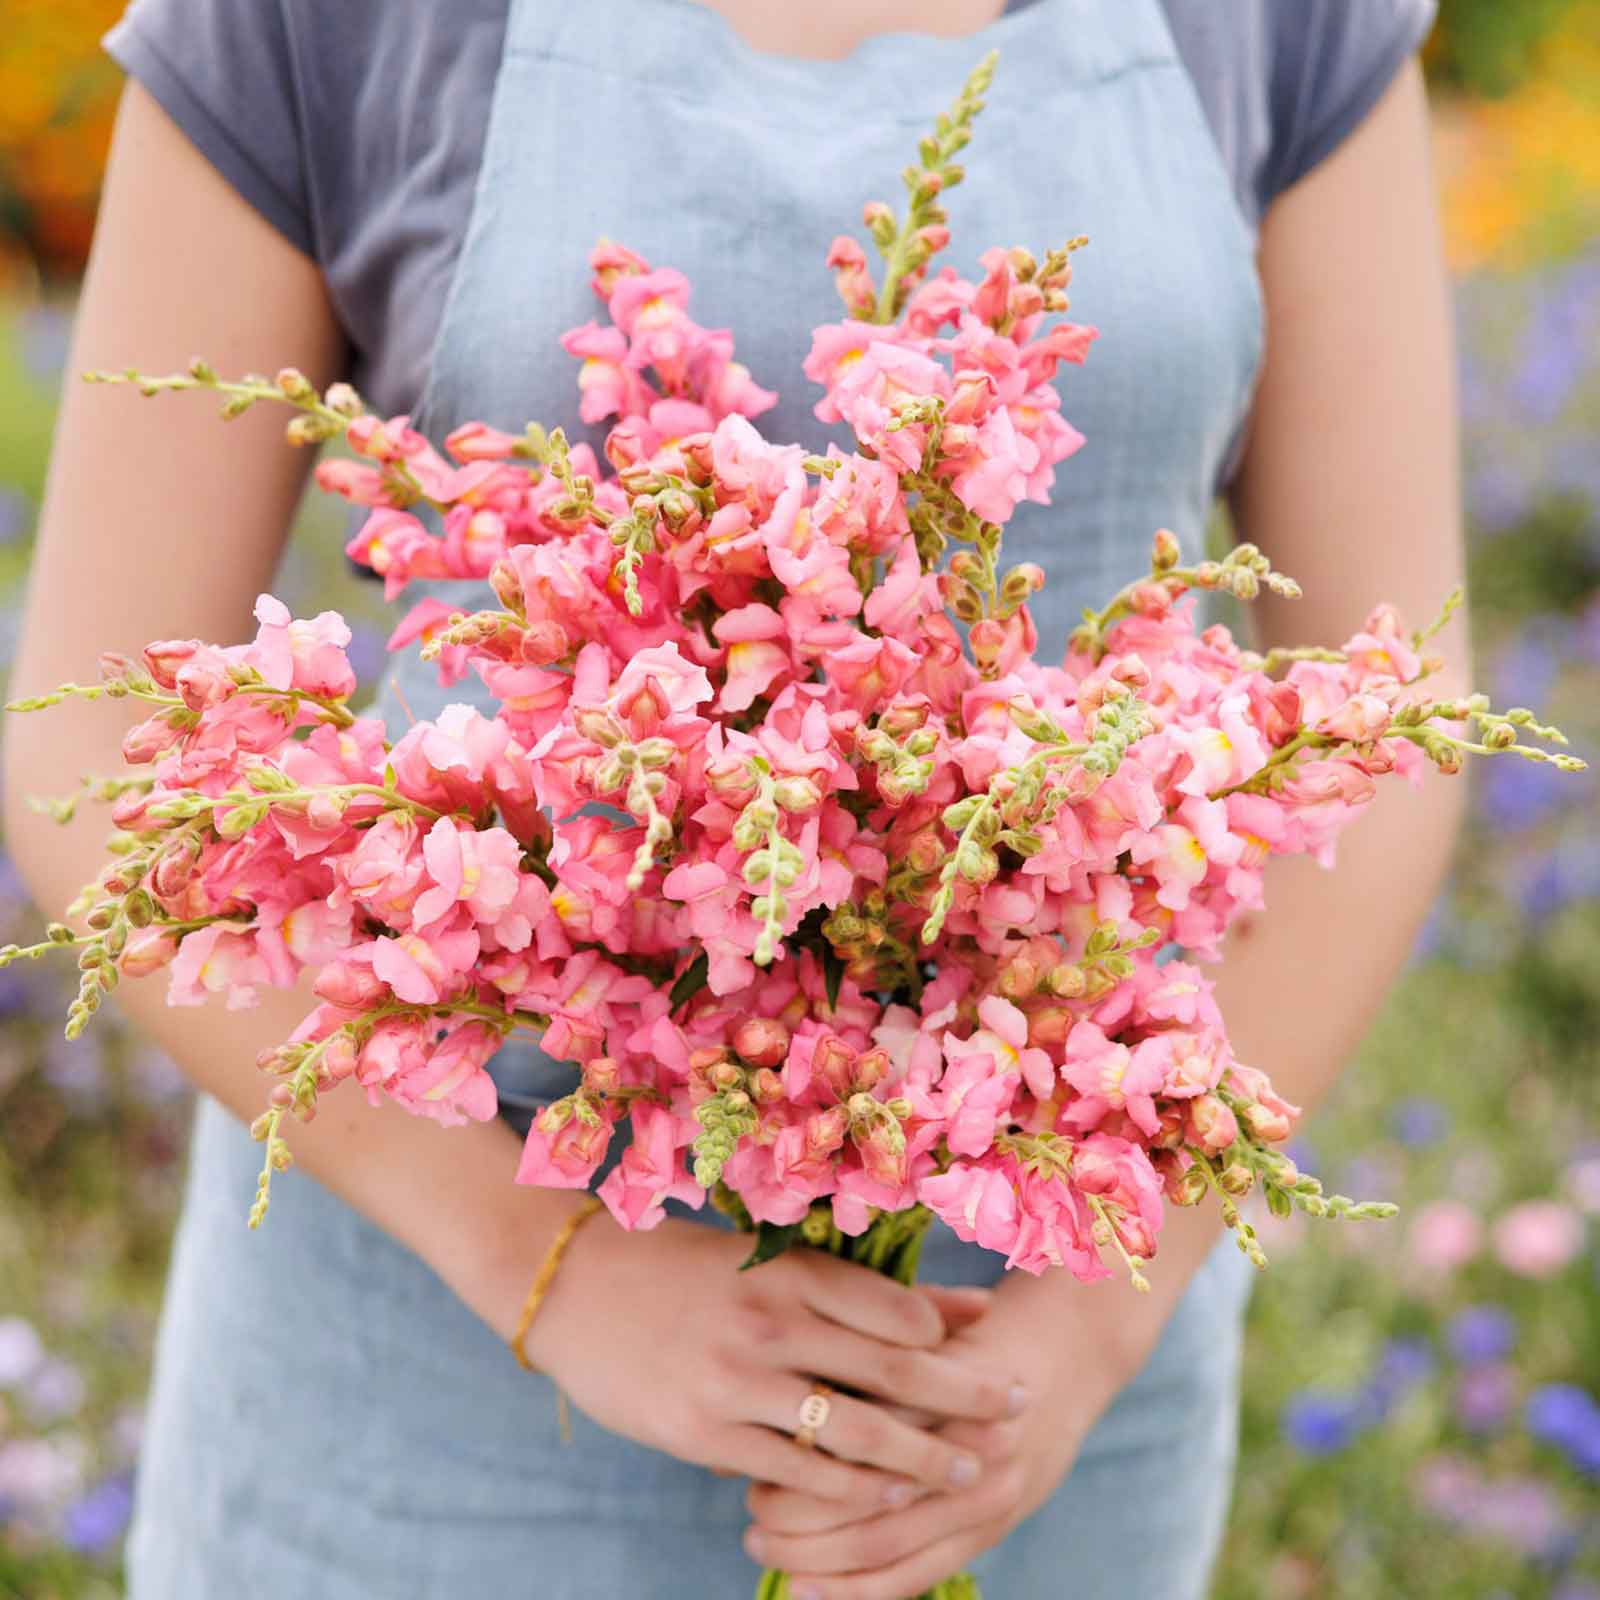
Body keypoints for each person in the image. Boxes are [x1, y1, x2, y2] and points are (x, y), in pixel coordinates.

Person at [4, 1, 1466, 1595]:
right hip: (435, 1354)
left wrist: (1100, 1311)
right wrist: (544, 1263)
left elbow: (1385, 726)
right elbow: (98, 762)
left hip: (1028, 1360)